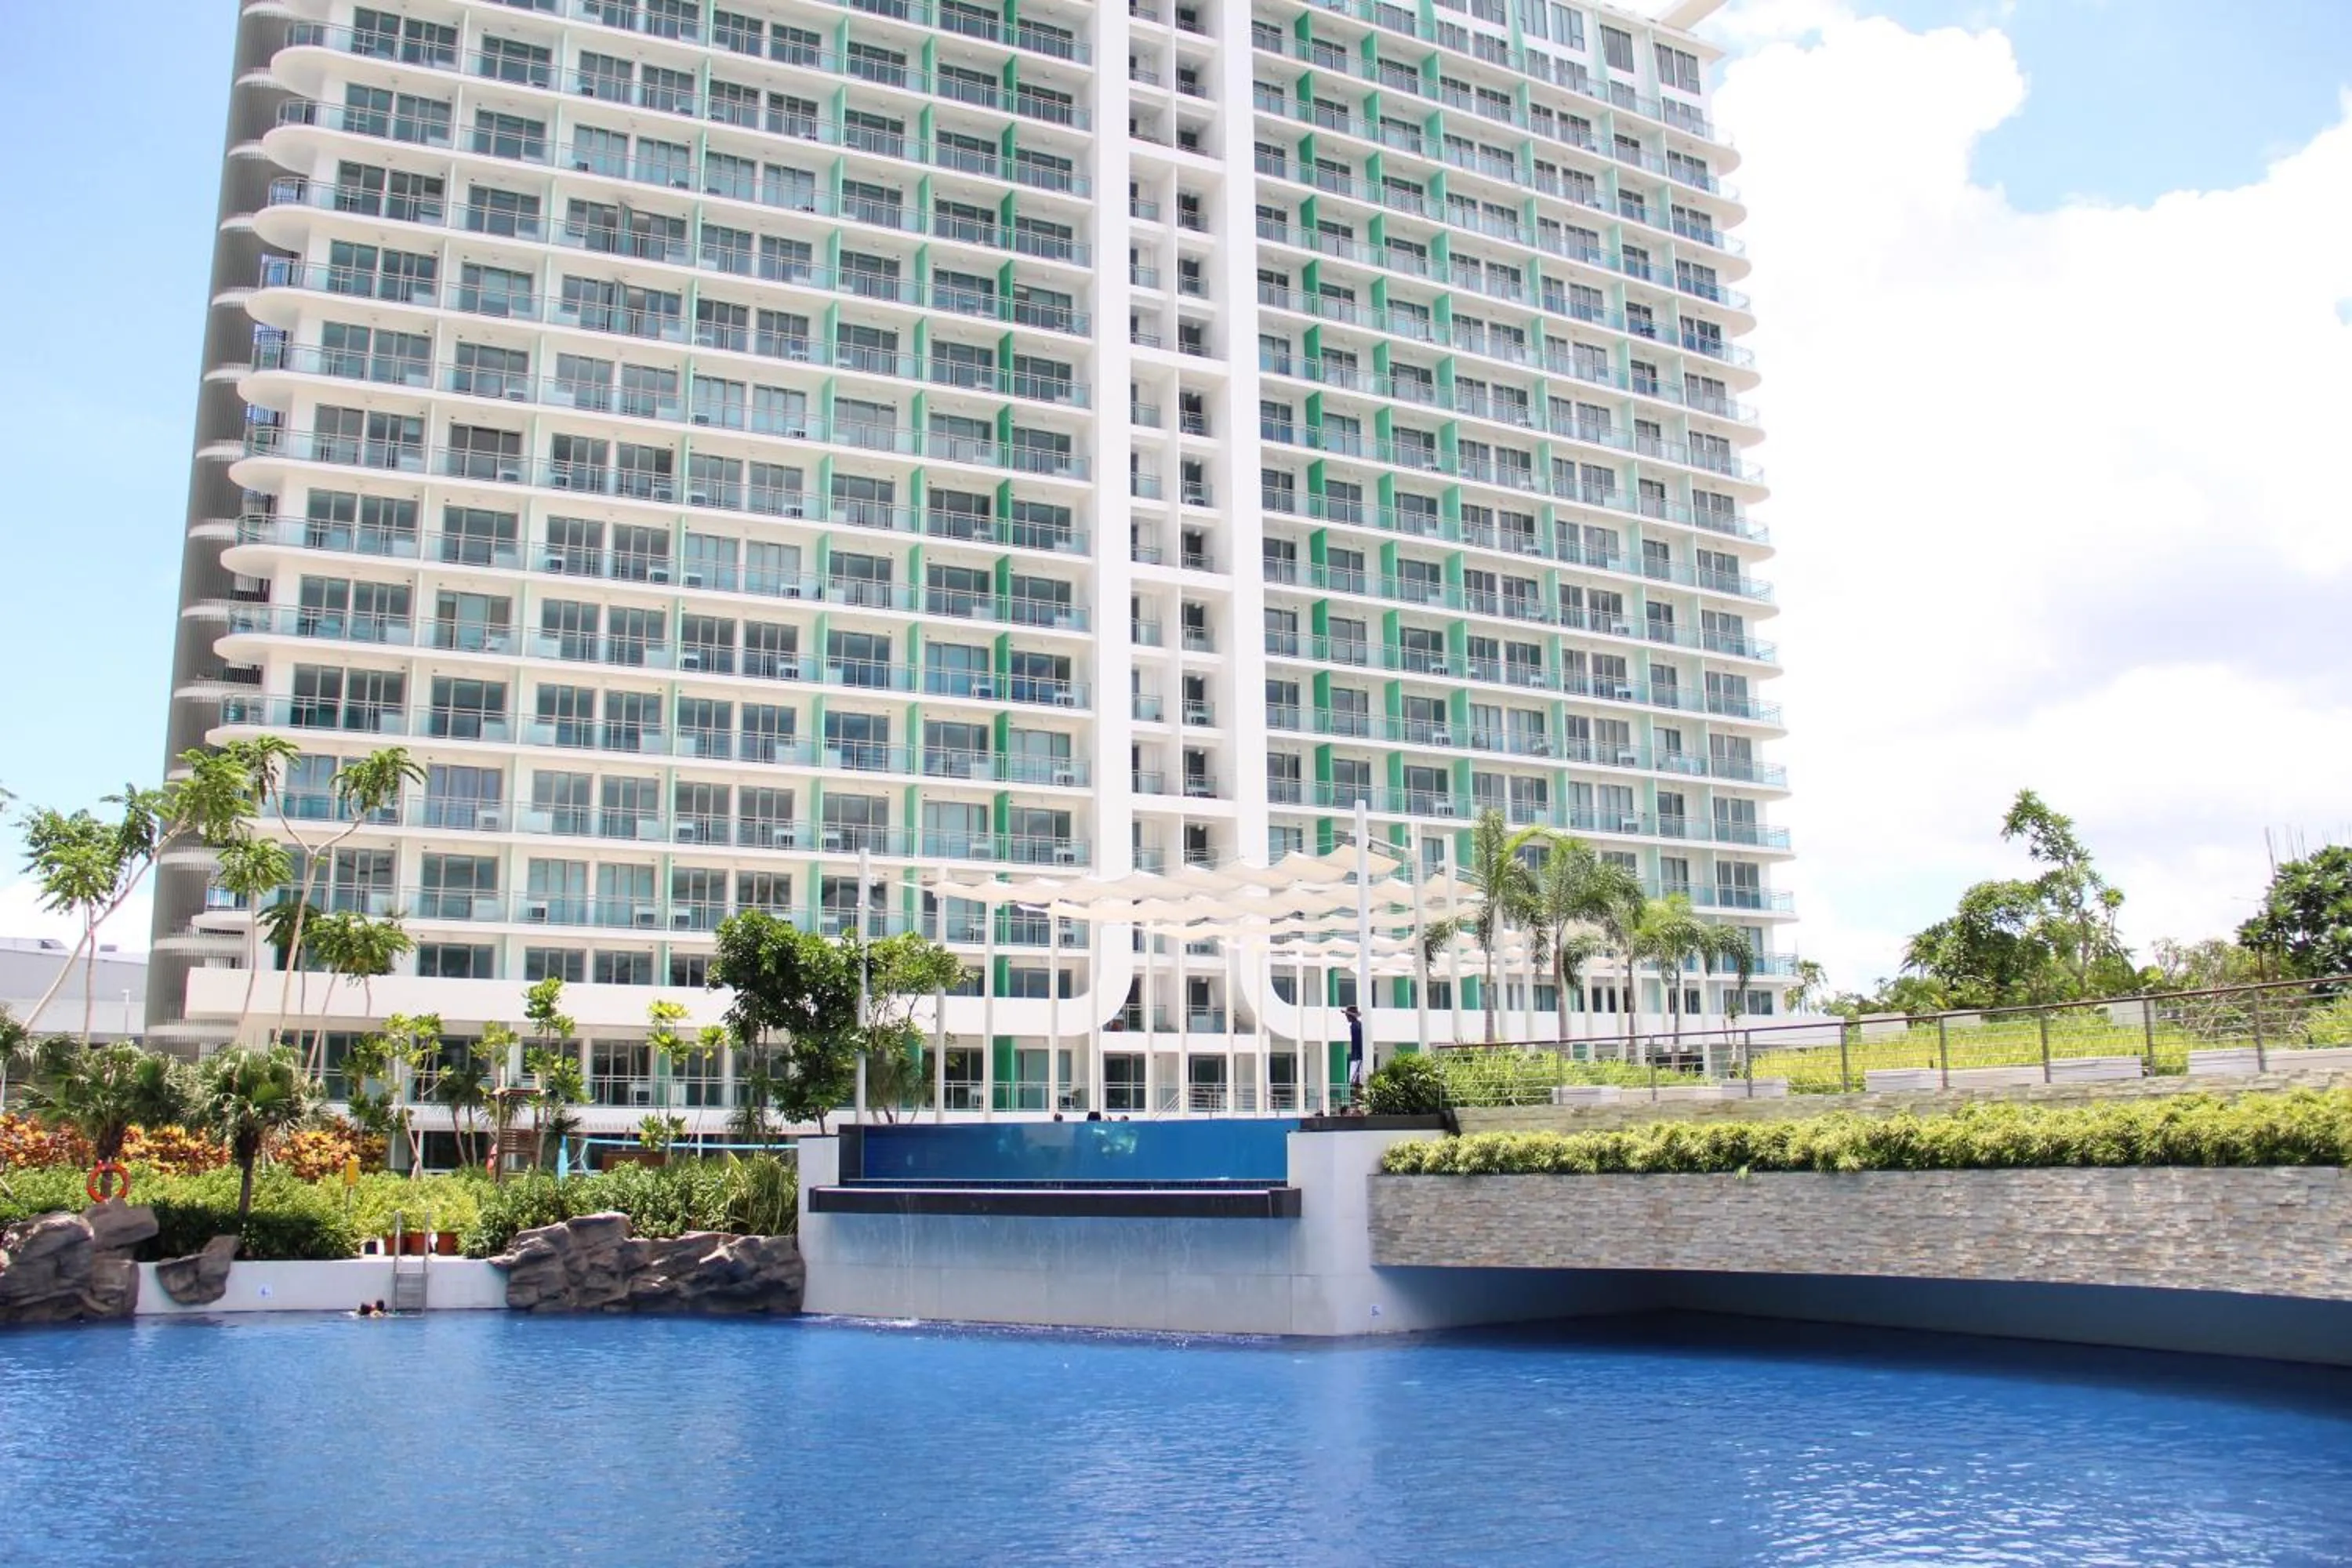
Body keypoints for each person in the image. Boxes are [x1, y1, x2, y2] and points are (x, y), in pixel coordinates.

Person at [1344, 1004, 1366, 1104]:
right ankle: (1359, 1100)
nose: (1346, 1017)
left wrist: (1359, 1056)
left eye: (1347, 1015)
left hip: (1357, 1056)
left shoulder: (1356, 1026)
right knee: (1355, 1081)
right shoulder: (1355, 1025)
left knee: (1356, 1080)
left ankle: (1360, 1100)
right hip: (1356, 1055)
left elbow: (1359, 1042)